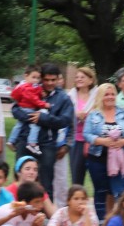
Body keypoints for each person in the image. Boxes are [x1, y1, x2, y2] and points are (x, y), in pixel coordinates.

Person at [11, 64, 74, 201]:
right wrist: (29, 117)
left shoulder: (63, 98)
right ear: (41, 79)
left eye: (53, 80)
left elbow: (65, 120)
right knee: (21, 179)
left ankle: (45, 217)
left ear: (58, 79)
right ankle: (18, 212)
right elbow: (15, 109)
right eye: (46, 80)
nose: (50, 83)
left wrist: (44, 118)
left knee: (45, 183)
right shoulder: (29, 89)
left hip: (47, 144)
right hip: (25, 140)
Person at [84, 83, 124, 220]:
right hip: (97, 158)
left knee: (118, 192)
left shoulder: (123, 113)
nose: (110, 97)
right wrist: (102, 141)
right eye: (106, 94)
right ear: (100, 96)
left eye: (112, 94)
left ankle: (117, 220)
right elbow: (86, 134)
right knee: (101, 191)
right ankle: (102, 222)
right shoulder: (94, 115)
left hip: (119, 160)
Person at [66, 66, 97, 185]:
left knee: (97, 178)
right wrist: (75, 114)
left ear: (90, 80)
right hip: (76, 142)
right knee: (76, 178)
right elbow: (65, 115)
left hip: (93, 142)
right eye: (77, 77)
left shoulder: (96, 97)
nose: (79, 79)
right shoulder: (70, 96)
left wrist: (88, 116)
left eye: (82, 77)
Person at [8, 66, 48, 156]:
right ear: (26, 76)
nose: (36, 80)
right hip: (28, 109)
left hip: (23, 108)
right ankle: (32, 142)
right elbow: (34, 99)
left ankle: (11, 140)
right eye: (33, 77)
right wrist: (44, 104)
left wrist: (41, 93)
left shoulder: (23, 86)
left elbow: (14, 96)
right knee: (35, 124)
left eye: (38, 78)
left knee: (19, 125)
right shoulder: (27, 87)